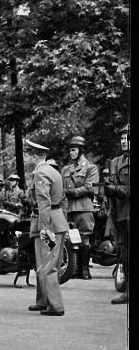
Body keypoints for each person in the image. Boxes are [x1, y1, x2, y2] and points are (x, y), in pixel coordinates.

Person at [22, 140, 68, 316]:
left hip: (47, 224)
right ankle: (42, 301)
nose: (26, 159)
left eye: (28, 155)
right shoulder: (54, 171)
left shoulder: (41, 172)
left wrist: (45, 227)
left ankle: (55, 306)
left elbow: (43, 201)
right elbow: (62, 200)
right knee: (44, 264)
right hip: (57, 221)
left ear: (34, 156)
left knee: (47, 266)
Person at [61, 135, 99, 280]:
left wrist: (72, 192)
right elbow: (61, 187)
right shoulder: (66, 169)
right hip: (68, 208)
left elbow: (90, 187)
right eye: (70, 150)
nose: (71, 152)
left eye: (74, 150)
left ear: (81, 150)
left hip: (83, 208)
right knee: (70, 239)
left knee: (84, 238)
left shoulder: (91, 168)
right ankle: (75, 269)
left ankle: (84, 270)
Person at [104, 123, 129, 304]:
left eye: (127, 137)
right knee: (124, 253)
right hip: (119, 214)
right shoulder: (116, 162)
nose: (124, 141)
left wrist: (115, 189)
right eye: (121, 138)